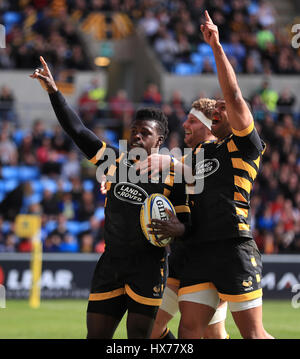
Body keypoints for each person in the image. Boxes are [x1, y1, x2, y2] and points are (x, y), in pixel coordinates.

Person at [30, 56, 190, 339]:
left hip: (149, 266)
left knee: (139, 339)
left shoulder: (173, 175)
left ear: (159, 140)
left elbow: (185, 224)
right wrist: (55, 92)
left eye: (146, 133)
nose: (138, 137)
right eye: (134, 132)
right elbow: (78, 131)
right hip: (111, 263)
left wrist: (177, 228)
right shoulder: (113, 162)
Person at [139, 11, 273, 339]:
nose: (219, 110)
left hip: (233, 246)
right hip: (199, 251)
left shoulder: (246, 145)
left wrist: (216, 48)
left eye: (223, 109)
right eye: (216, 110)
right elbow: (180, 170)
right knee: (189, 332)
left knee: (253, 334)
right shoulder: (201, 153)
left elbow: (235, 96)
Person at [150, 98, 229, 340]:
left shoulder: (218, 155)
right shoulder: (186, 160)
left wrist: (171, 161)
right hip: (183, 255)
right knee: (151, 328)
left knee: (211, 334)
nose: (185, 124)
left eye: (192, 120)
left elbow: (197, 174)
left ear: (209, 126)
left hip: (212, 257)